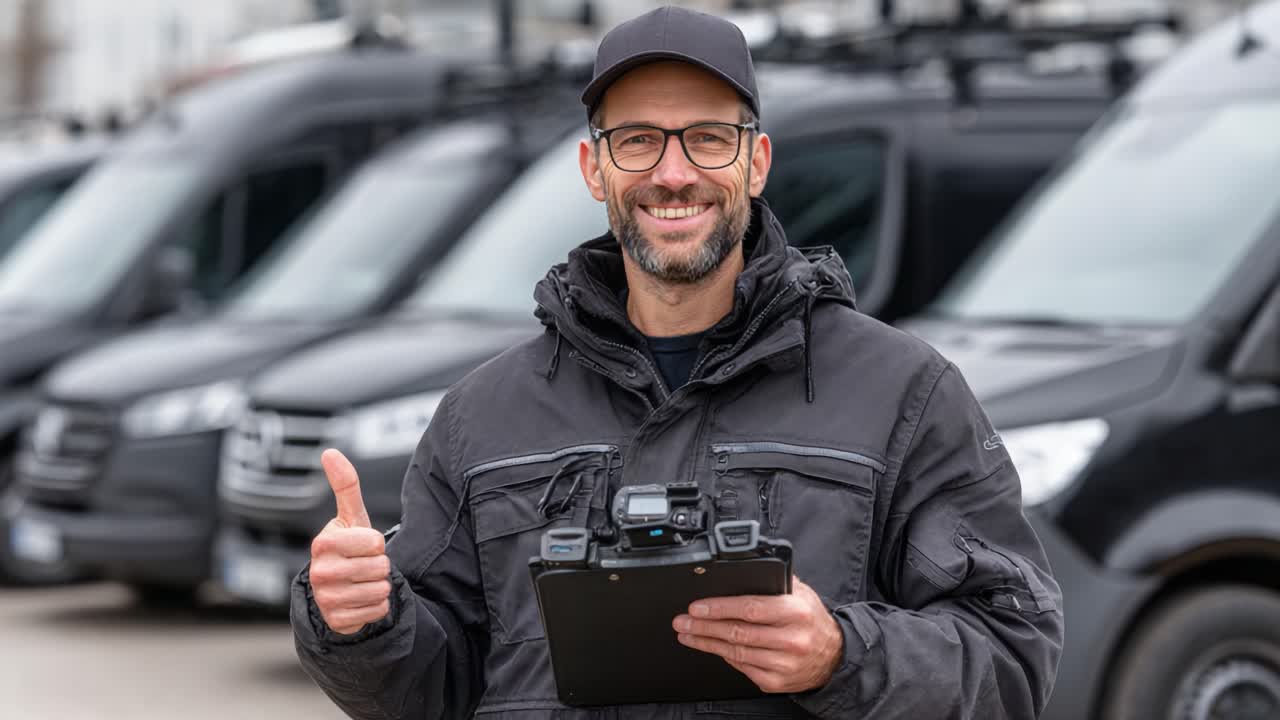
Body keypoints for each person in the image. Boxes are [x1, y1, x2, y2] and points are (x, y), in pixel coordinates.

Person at [292, 6, 1064, 719]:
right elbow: (433, 690)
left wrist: (841, 653)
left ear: (755, 162)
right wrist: (362, 622)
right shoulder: (480, 419)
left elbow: (1012, 657)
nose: (672, 172)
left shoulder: (905, 396)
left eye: (707, 137)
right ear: (595, 169)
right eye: (637, 140)